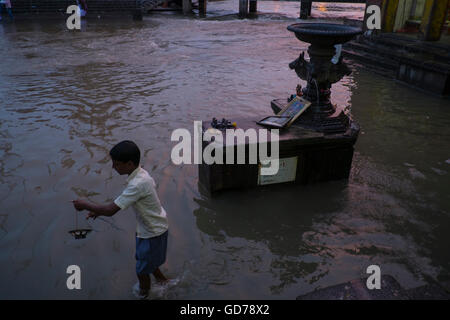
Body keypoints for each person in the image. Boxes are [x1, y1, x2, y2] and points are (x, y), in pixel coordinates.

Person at [72, 140, 169, 299]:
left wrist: (85, 205)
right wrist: (98, 211)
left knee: (141, 270)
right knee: (145, 260)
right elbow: (117, 205)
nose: (113, 167)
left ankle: (144, 295)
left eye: (116, 164)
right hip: (149, 228)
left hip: (152, 231)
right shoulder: (140, 174)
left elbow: (111, 210)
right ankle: (163, 282)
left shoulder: (137, 184)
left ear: (129, 164)